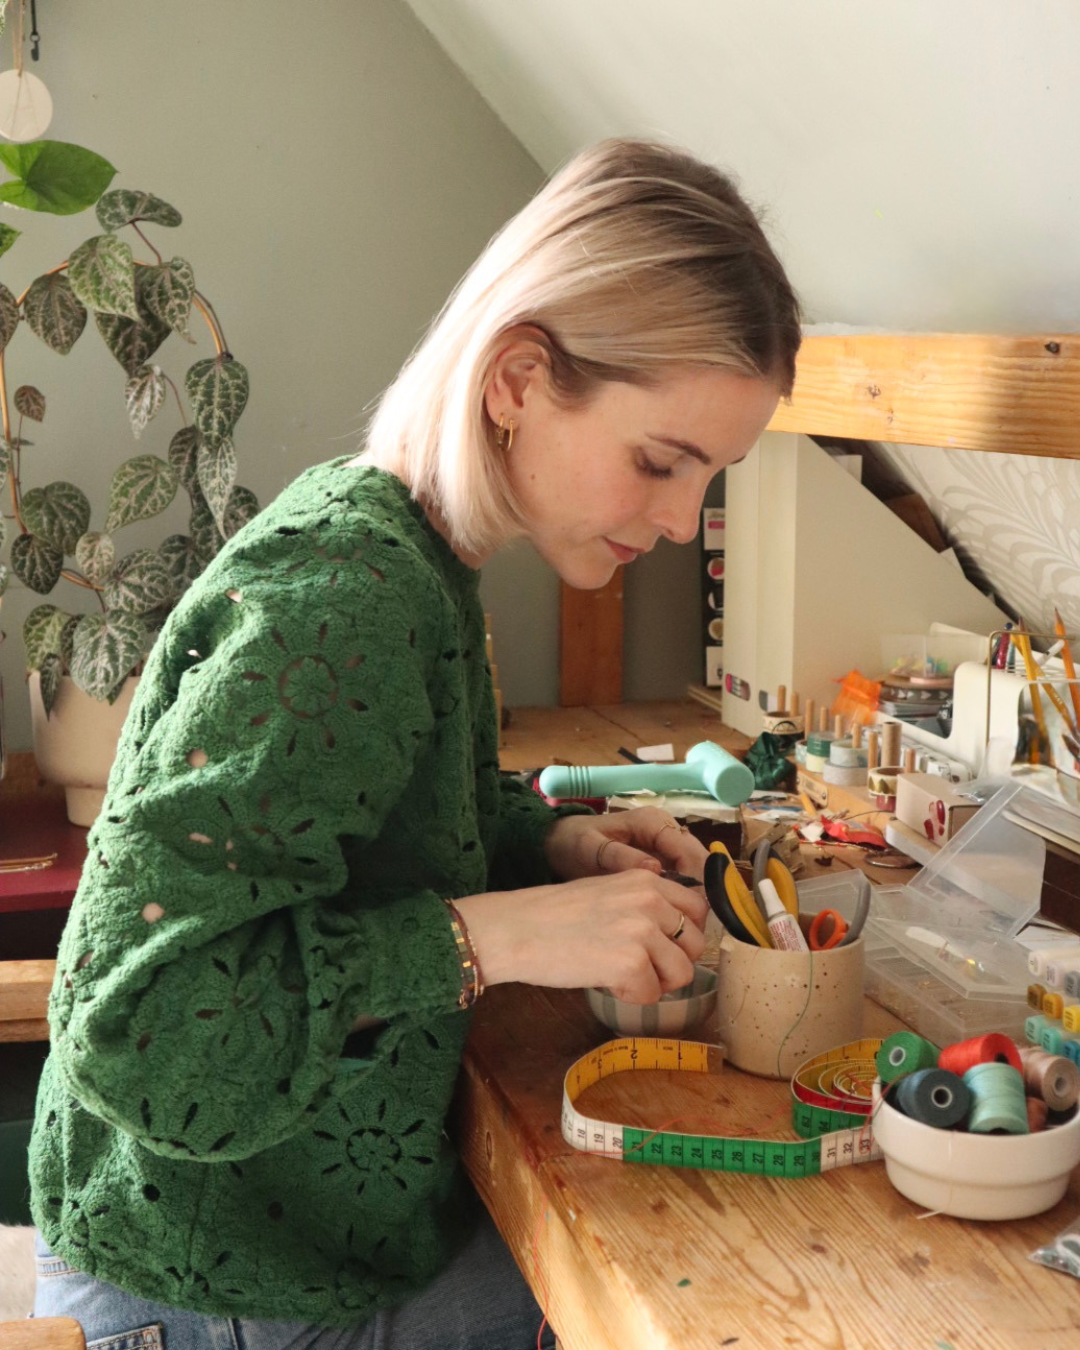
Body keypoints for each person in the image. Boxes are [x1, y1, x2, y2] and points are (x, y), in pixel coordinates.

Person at [30, 137, 800, 1350]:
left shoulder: (411, 557)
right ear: (518, 382)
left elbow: (362, 821)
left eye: (712, 481)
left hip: (282, 1236)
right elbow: (142, 1032)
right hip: (204, 1286)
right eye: (661, 462)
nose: (676, 519)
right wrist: (490, 938)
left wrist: (550, 846)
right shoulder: (348, 600)